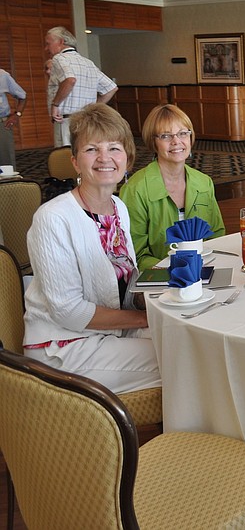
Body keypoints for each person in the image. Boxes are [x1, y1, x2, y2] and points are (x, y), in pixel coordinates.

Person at [23, 103, 160, 395]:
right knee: (182, 359)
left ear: (127, 159)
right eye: (91, 149)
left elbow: (125, 282)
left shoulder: (118, 208)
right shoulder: (53, 217)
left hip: (112, 331)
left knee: (191, 341)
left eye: (114, 148)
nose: (104, 158)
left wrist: (165, 295)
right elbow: (69, 312)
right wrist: (146, 318)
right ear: (75, 162)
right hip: (64, 346)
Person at [120, 104, 225, 271]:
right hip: (159, 278)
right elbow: (135, 254)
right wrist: (175, 272)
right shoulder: (135, 189)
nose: (176, 141)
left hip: (205, 272)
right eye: (166, 136)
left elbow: (217, 237)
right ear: (153, 142)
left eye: (183, 133)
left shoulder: (204, 182)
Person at [44, 26, 118, 147]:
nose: (46, 48)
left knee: (65, 155)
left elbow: (70, 80)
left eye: (48, 44)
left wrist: (55, 104)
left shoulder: (59, 58)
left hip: (66, 121)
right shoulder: (87, 62)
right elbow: (111, 88)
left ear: (61, 41)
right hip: (86, 121)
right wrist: (92, 108)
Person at [0, 66, 27, 167]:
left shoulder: (2, 75)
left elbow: (22, 96)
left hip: (2, 124)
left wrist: (17, 114)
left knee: (6, 165)